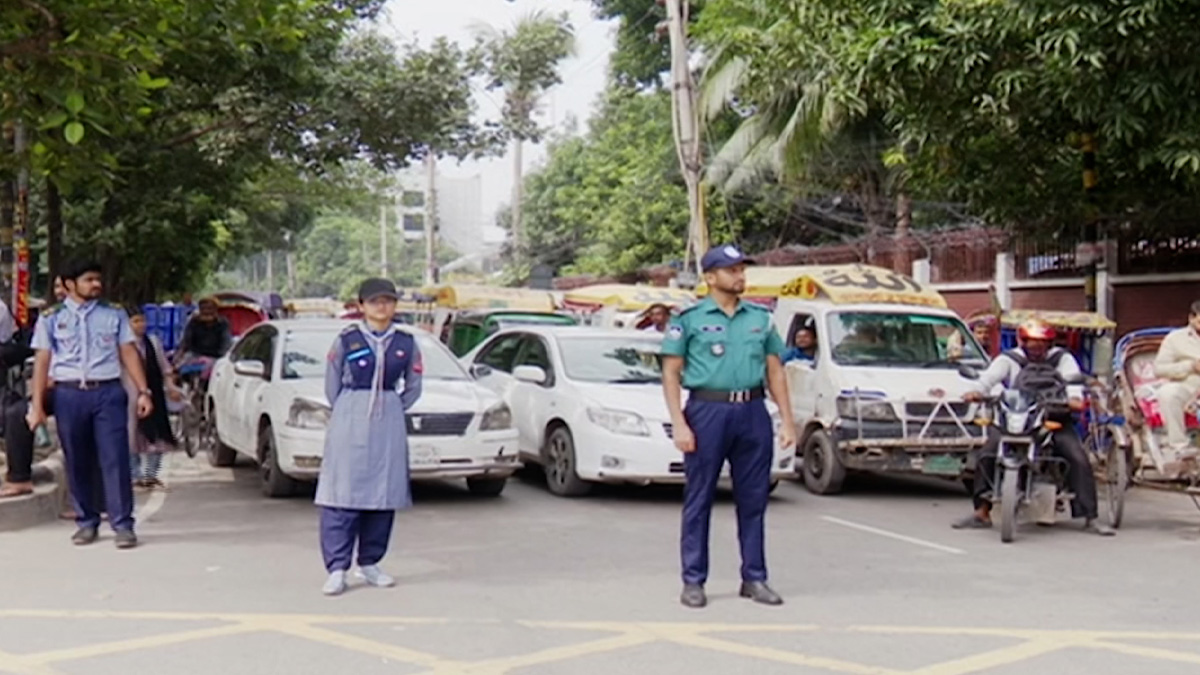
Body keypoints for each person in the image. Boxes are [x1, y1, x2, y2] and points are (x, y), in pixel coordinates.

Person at [661, 244, 797, 609]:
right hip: (707, 411)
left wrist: (787, 421)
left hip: (752, 410)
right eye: (732, 270)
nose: (740, 276)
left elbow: (775, 370)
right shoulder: (688, 320)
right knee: (699, 498)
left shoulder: (760, 318)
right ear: (710, 277)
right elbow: (671, 373)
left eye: (742, 270)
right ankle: (693, 580)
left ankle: (754, 576)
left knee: (753, 499)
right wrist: (679, 424)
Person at [28, 261, 154, 549]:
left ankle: (123, 524)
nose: (96, 285)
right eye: (89, 280)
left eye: (98, 279)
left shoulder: (114, 314)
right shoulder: (50, 318)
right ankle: (87, 521)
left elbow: (128, 353)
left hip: (107, 393)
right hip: (69, 395)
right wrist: (37, 406)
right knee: (77, 458)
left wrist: (144, 391)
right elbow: (42, 362)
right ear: (70, 284)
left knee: (115, 458)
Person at [952, 318, 1114, 536]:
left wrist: (1074, 399)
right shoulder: (1009, 359)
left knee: (1077, 458)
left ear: (1049, 343)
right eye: (1031, 341)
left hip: (1052, 420)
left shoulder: (1062, 359)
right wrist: (976, 392)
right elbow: (987, 380)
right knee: (986, 455)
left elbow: (1073, 384)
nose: (1036, 346)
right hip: (1014, 418)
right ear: (1023, 341)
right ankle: (981, 512)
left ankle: (1090, 517)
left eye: (1041, 342)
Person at [316, 278, 423, 596]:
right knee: (342, 493)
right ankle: (337, 567)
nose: (381, 306)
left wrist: (392, 407)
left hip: (387, 417)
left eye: (388, 300)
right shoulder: (346, 340)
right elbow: (332, 384)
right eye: (374, 301)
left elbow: (414, 385)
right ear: (361, 305)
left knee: (383, 492)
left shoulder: (406, 342)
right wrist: (350, 408)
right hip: (350, 413)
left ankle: (371, 562)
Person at [1, 276, 67, 500]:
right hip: (54, 385)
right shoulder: (50, 319)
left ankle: (94, 499)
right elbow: (41, 357)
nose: (61, 291)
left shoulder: (103, 317)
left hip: (87, 386)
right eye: (57, 286)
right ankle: (19, 479)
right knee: (18, 413)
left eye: (64, 285)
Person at [125, 308, 179, 490]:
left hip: (153, 394)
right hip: (128, 394)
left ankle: (150, 474)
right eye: (136, 321)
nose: (141, 325)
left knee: (157, 434)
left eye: (142, 321)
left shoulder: (153, 343)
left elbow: (165, 367)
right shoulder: (122, 345)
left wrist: (170, 386)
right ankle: (134, 474)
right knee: (131, 435)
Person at [1152, 300, 1200, 461]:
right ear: (1191, 319)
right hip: (1187, 388)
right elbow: (1160, 369)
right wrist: (1190, 366)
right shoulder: (1175, 339)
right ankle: (1180, 446)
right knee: (1168, 393)